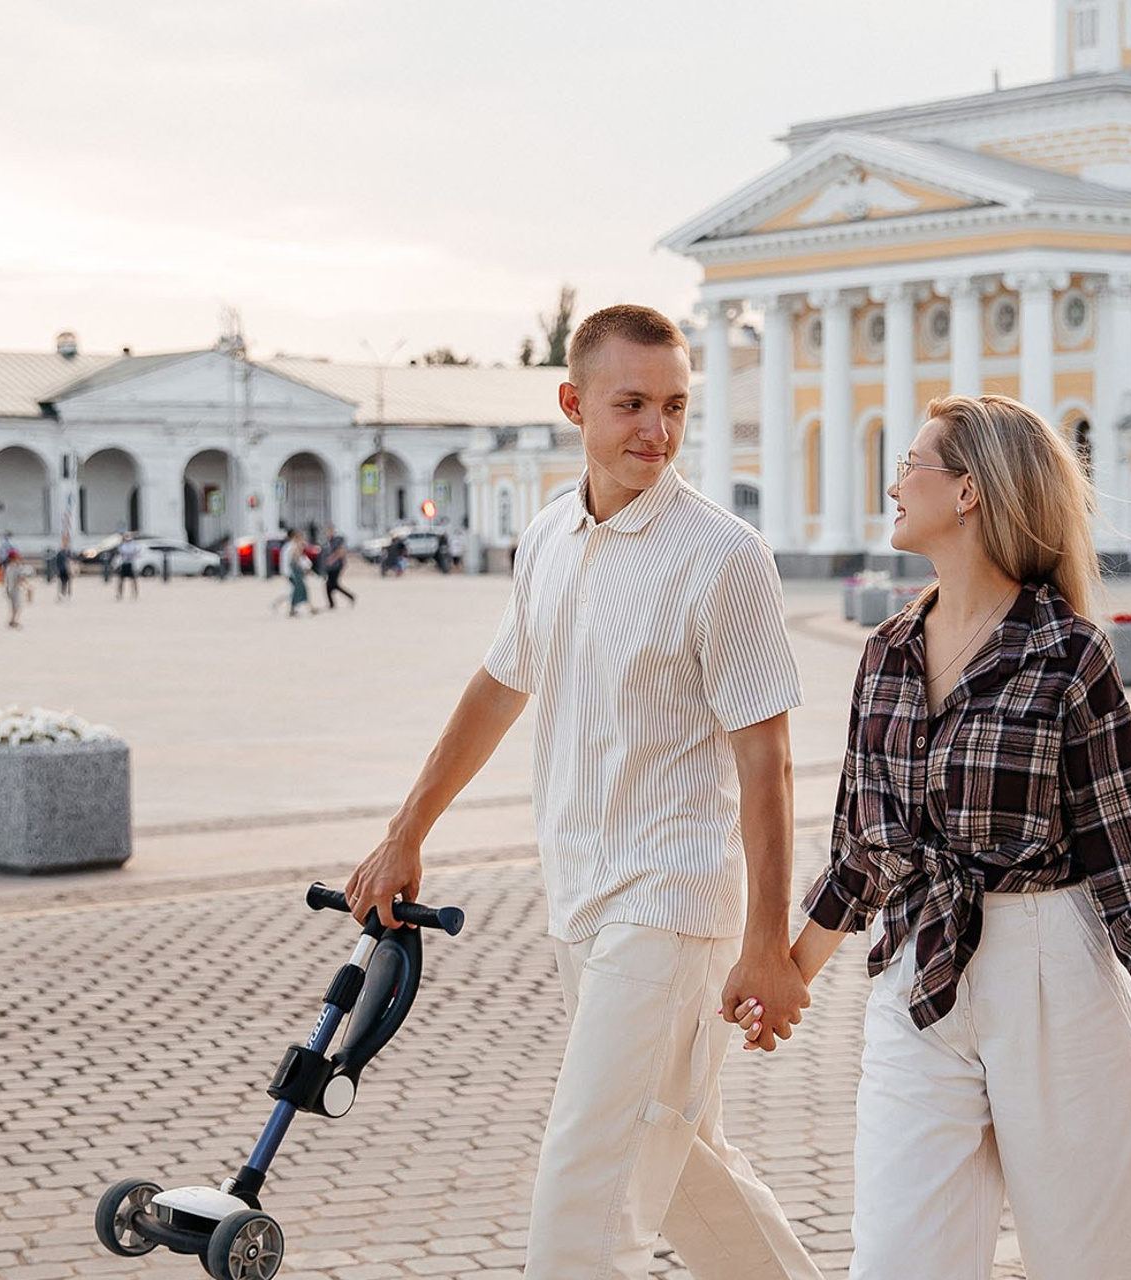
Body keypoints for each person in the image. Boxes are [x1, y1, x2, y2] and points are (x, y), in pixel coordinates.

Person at [345, 305, 821, 1280]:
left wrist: (768, 942)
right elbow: (501, 681)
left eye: (676, 405)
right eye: (632, 403)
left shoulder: (722, 555)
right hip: (581, 899)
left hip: (673, 905)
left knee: (585, 1192)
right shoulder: (549, 539)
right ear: (574, 403)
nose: (657, 429)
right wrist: (407, 831)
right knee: (686, 1169)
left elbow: (765, 759)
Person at [745, 395, 1131, 1279]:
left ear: (967, 491)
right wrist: (785, 975)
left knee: (1098, 1262)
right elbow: (861, 853)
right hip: (916, 979)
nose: (894, 485)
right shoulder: (886, 650)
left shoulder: (1069, 654)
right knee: (896, 1261)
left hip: (1054, 978)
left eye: (911, 465)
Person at [275, 530, 312, 617]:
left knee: (293, 590)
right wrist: (305, 568)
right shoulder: (292, 546)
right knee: (298, 589)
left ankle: (291, 608)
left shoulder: (287, 546)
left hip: (287, 571)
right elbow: (297, 559)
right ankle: (295, 608)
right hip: (292, 572)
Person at [321, 527, 355, 609]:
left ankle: (350, 597)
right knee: (330, 585)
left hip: (336, 565)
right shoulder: (329, 542)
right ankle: (332, 604)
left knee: (333, 584)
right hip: (330, 566)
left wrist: (332, 559)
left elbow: (341, 551)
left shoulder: (337, 540)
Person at [0, 549, 33, 629]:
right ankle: (13, 621)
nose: (18, 558)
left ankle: (12, 621)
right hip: (14, 590)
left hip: (9, 589)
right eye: (17, 557)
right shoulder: (15, 567)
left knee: (14, 606)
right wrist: (27, 586)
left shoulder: (8, 567)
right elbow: (20, 578)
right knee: (17, 606)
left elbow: (6, 579)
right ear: (13, 558)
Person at [53, 536, 73, 601]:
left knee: (68, 582)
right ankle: (61, 594)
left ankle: (68, 594)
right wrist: (57, 569)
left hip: (67, 569)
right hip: (61, 569)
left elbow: (71, 560)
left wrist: (71, 568)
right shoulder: (60, 552)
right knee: (62, 583)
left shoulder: (68, 551)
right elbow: (57, 561)